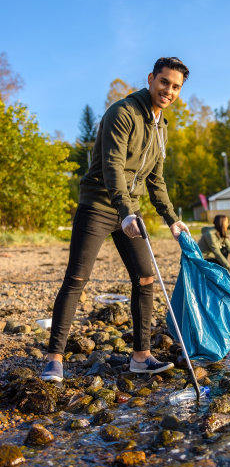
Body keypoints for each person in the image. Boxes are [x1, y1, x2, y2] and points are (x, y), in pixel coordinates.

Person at [41, 57, 191, 382]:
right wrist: (124, 211)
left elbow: (156, 180)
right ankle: (54, 358)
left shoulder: (161, 127)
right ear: (151, 78)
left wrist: (172, 219)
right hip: (98, 204)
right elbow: (112, 167)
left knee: (145, 278)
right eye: (164, 82)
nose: (169, 90)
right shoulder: (122, 113)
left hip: (129, 210)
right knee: (77, 279)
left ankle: (141, 356)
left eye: (176, 86)